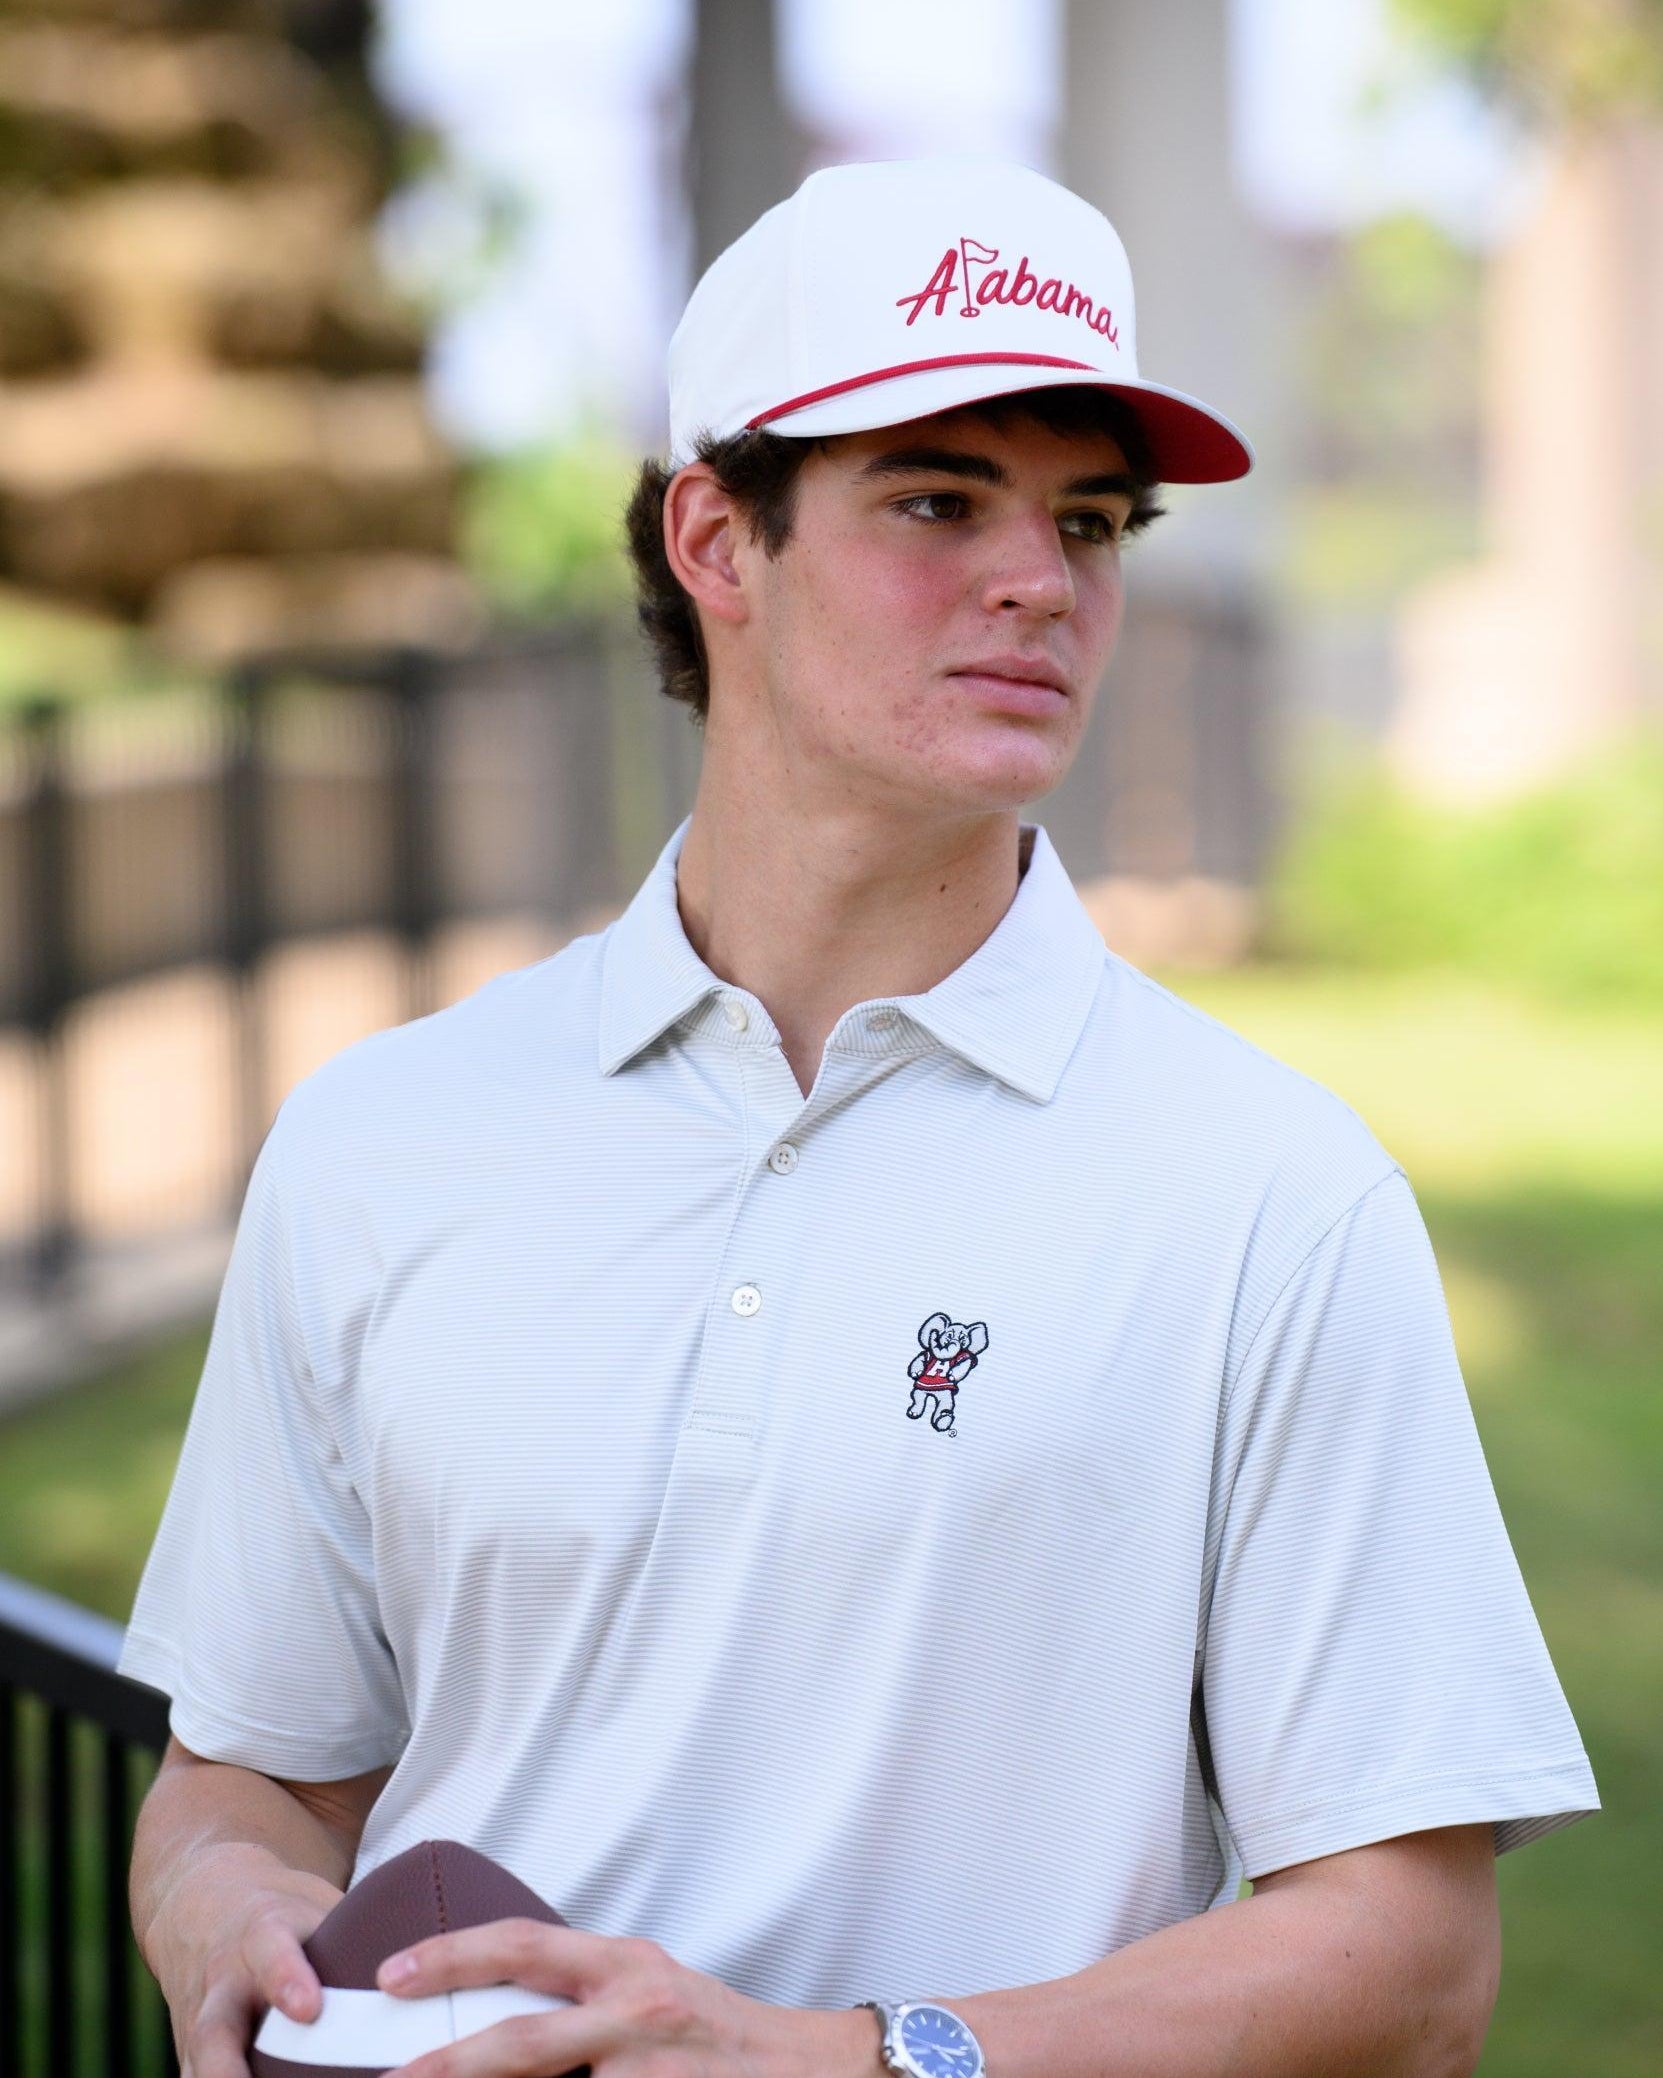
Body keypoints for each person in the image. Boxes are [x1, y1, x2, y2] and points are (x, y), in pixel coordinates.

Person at [118, 156, 1599, 2078]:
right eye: (937, 498)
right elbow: (242, 1782)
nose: (1039, 581)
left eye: (1088, 518)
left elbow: (1411, 1957)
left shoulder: (1275, 1198)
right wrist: (224, 1907)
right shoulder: (379, 1140)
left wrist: (858, 2057)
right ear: (720, 540)